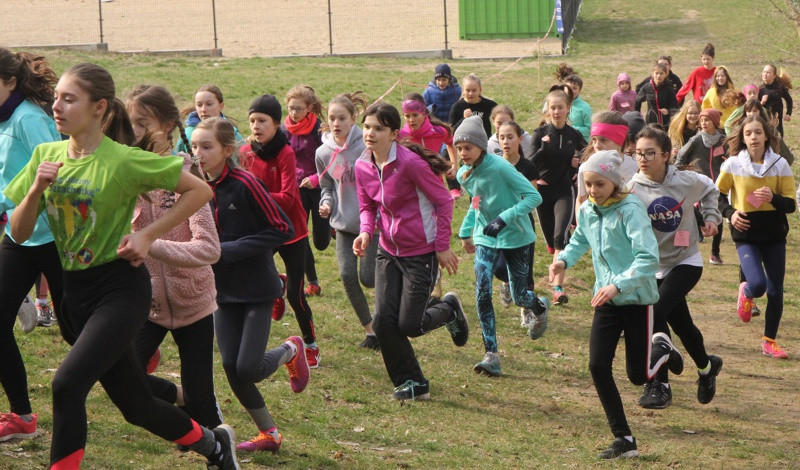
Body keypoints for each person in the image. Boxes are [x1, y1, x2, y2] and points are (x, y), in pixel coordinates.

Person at [3, 62, 238, 469]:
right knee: (135, 405)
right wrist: (37, 189)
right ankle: (215, 446)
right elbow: (19, 233)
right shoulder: (46, 155)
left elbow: (198, 190)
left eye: (69, 99)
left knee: (66, 384)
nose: (56, 107)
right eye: (56, 97)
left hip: (120, 290)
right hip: (73, 296)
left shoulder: (124, 160)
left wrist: (148, 236)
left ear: (99, 108)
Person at [194, 117, 310, 453]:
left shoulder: (245, 184)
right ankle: (269, 434)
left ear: (226, 150)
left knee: (248, 367)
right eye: (195, 146)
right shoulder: (194, 188)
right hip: (220, 292)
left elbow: (282, 229)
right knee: (232, 367)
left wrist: (227, 251)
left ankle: (291, 348)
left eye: (207, 146)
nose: (199, 154)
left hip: (258, 288)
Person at [549, 150, 664, 460]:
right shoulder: (589, 210)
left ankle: (662, 350)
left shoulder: (631, 210)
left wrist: (619, 284)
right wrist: (563, 261)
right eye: (588, 185)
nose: (593, 191)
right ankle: (624, 437)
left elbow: (648, 257)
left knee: (638, 377)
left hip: (636, 298)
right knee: (597, 366)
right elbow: (580, 240)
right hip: (606, 300)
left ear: (614, 183)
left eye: (599, 184)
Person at [353, 103, 469, 401]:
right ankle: (413, 382)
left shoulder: (409, 164)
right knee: (382, 322)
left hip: (421, 252)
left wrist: (441, 246)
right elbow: (368, 206)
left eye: (378, 128)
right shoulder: (362, 165)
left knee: (410, 325)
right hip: (387, 250)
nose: (370, 133)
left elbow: (443, 201)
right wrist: (366, 231)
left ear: (393, 134)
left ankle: (449, 310)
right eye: (367, 127)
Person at [125, 84, 224, 430]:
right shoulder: (127, 175)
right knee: (124, 381)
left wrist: (149, 243)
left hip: (193, 303)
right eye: (131, 124)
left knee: (204, 410)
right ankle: (181, 398)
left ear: (167, 125)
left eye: (143, 124)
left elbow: (209, 249)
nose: (134, 133)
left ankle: (215, 443)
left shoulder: (185, 174)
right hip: (146, 306)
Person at [628, 125, 723, 409]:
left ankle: (659, 385)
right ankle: (707, 368)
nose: (643, 159)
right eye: (638, 154)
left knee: (655, 312)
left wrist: (711, 217)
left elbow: (711, 188)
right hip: (651, 266)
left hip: (685, 261)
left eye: (650, 153)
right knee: (682, 324)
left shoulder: (684, 181)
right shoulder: (631, 188)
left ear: (666, 155)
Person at [0, 48, 63, 443]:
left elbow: (59, 171)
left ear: (9, 82)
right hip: (19, 237)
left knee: (77, 332)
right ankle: (22, 415)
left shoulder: (30, 119)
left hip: (56, 239)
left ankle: (149, 368)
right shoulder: (4, 117)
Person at [456, 116, 548, 376]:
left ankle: (539, 307)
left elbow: (534, 197)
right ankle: (491, 354)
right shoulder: (464, 174)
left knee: (520, 296)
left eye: (468, 147)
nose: (463, 153)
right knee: (482, 291)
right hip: (485, 237)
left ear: (481, 147)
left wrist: (504, 218)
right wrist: (466, 232)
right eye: (459, 148)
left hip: (517, 237)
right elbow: (477, 202)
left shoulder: (500, 168)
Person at [240, 94, 320, 368]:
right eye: (252, 121)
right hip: (264, 230)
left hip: (292, 230)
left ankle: (310, 346)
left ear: (276, 124)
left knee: (296, 298)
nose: (256, 126)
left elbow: (287, 196)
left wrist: (254, 195)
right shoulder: (245, 153)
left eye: (262, 121)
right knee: (256, 279)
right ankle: (277, 284)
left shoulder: (285, 152)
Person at [717, 115, 796, 358]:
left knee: (775, 291)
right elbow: (716, 197)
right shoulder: (732, 164)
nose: (753, 137)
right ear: (742, 137)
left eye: (758, 132)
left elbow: (791, 205)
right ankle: (747, 291)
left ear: (766, 136)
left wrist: (773, 198)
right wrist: (730, 213)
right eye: (748, 133)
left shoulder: (780, 164)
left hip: (774, 234)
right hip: (746, 233)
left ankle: (769, 341)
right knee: (759, 285)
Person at [316, 91, 379, 349]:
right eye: (332, 118)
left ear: (354, 118)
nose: (336, 123)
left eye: (342, 118)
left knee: (369, 278)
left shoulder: (367, 146)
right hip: (343, 225)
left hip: (371, 224)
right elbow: (326, 186)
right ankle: (372, 330)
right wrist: (326, 203)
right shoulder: (322, 153)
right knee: (347, 275)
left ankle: (391, 311)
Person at [531, 87, 587, 305]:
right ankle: (557, 254)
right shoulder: (540, 134)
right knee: (551, 242)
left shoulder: (574, 135)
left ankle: (557, 288)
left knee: (559, 239)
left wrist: (579, 161)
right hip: (543, 192)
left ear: (568, 109)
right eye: (553, 108)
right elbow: (529, 162)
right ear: (548, 109)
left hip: (565, 191)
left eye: (560, 107)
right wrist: (543, 148)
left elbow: (588, 153)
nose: (556, 112)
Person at [283, 84, 329, 297]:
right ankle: (313, 282)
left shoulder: (319, 129)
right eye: (291, 108)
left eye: (299, 108)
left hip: (319, 187)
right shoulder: (283, 130)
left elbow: (332, 161)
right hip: (296, 189)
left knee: (321, 243)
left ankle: (332, 228)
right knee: (300, 235)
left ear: (309, 108)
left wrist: (314, 178)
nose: (294, 113)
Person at [493, 120, 540, 320]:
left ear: (520, 139)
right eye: (501, 137)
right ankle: (506, 283)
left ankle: (526, 309)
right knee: (499, 268)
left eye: (510, 137)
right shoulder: (493, 163)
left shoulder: (527, 167)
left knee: (525, 271)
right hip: (497, 224)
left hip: (522, 225)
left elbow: (532, 197)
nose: (505, 141)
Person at [675, 108, 727, 265]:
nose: (703, 123)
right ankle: (683, 248)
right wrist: (680, 174)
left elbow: (731, 157)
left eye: (707, 120)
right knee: (689, 212)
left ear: (715, 122)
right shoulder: (696, 140)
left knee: (717, 216)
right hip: (698, 183)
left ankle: (715, 253)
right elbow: (681, 157)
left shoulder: (723, 140)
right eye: (702, 120)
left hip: (718, 184)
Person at [575, 111, 639, 213]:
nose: (597, 145)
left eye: (603, 140)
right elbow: (581, 200)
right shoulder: (587, 167)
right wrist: (581, 226)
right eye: (594, 140)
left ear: (620, 140)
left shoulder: (636, 165)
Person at [448, 74, 497, 199]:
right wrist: (463, 119)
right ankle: (474, 202)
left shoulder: (489, 105)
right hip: (466, 147)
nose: (470, 93)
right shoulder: (458, 107)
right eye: (467, 90)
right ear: (462, 91)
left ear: (480, 90)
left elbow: (499, 119)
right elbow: (451, 129)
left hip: (485, 145)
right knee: (473, 177)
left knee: (487, 173)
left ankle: (492, 196)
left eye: (474, 90)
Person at [398, 92, 458, 184]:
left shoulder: (439, 131)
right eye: (407, 116)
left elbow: (451, 143)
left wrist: (454, 166)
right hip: (411, 187)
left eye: (415, 115)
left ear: (424, 113)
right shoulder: (400, 136)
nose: (411, 120)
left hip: (436, 184)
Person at [175, 84, 244, 154]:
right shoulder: (187, 133)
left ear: (221, 106)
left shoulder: (232, 133)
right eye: (199, 105)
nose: (203, 109)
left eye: (209, 104)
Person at [635, 63, 679, 127]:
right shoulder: (647, 87)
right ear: (652, 74)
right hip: (651, 122)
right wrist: (637, 115)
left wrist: (668, 112)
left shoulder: (669, 89)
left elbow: (676, 108)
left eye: (661, 73)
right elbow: (637, 101)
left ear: (665, 74)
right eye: (657, 73)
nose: (659, 76)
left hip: (665, 123)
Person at [758, 64, 793, 137]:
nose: (765, 74)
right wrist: (762, 103)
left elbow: (789, 100)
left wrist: (788, 113)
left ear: (774, 75)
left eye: (768, 72)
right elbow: (755, 107)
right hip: (764, 122)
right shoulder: (760, 90)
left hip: (777, 123)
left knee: (779, 143)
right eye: (764, 72)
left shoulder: (779, 88)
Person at [565, 74, 592, 142]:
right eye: (568, 88)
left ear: (579, 90)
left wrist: (571, 128)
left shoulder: (585, 108)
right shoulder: (559, 104)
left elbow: (590, 129)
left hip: (580, 143)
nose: (570, 91)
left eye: (574, 88)